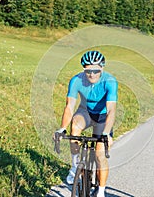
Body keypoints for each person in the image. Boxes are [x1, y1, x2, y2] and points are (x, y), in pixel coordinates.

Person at [54, 50, 118, 197]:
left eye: (96, 70)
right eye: (88, 70)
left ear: (102, 68)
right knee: (74, 128)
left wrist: (106, 134)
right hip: (86, 113)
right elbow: (69, 107)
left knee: (99, 155)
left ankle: (101, 191)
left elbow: (111, 111)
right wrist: (62, 128)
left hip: (103, 117)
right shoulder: (76, 80)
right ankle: (75, 164)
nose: (92, 74)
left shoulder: (110, 81)